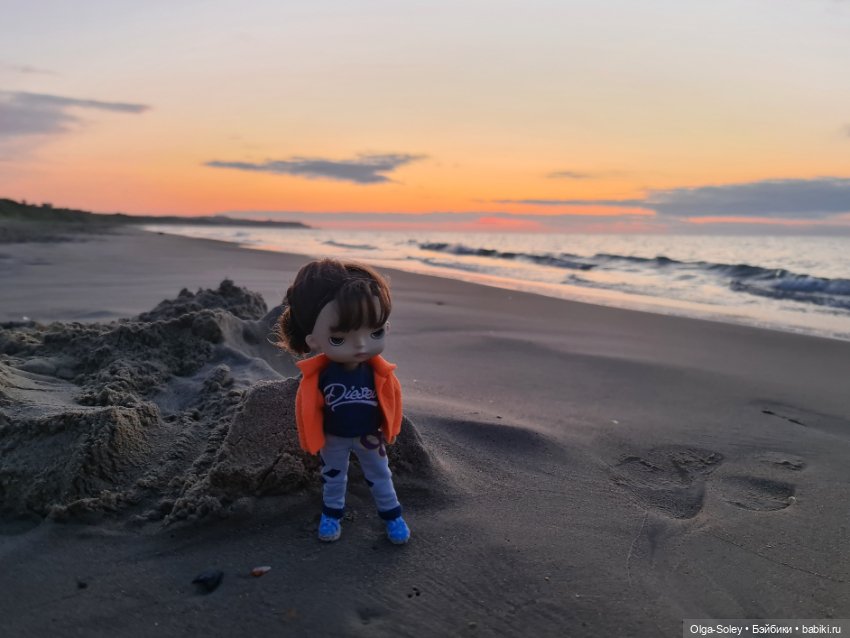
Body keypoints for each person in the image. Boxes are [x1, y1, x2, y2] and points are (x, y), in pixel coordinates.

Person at [277, 258, 411, 544]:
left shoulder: (380, 373)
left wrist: (392, 428)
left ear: (385, 327)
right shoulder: (319, 377)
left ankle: (392, 516)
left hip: (370, 437)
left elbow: (392, 399)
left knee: (380, 475)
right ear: (314, 340)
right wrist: (310, 438)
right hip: (333, 437)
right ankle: (331, 515)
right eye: (339, 338)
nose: (361, 345)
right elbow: (309, 409)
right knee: (333, 478)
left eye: (374, 332)